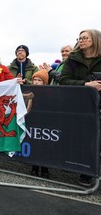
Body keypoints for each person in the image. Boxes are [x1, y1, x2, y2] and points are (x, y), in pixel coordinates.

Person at [60, 29, 101, 187]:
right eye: (80, 38)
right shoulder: (72, 59)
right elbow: (64, 80)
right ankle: (86, 174)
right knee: (84, 139)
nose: (81, 40)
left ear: (95, 40)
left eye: (85, 38)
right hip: (79, 105)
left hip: (98, 104)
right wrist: (85, 85)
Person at [29, 69, 50, 178]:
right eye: (34, 80)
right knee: (35, 145)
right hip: (34, 123)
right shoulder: (30, 93)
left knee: (45, 147)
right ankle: (34, 167)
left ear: (45, 82)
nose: (36, 82)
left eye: (39, 80)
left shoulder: (49, 94)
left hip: (45, 124)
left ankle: (45, 169)